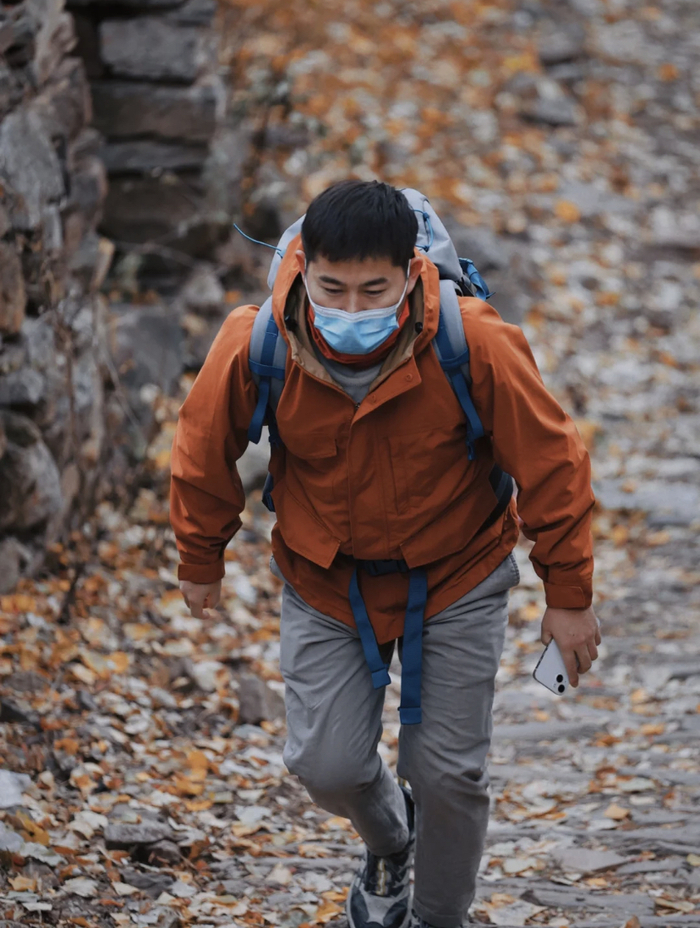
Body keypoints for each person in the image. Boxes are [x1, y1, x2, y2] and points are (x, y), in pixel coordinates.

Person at [170, 180, 601, 928]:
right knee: (325, 765)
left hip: (458, 573)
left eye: (376, 289)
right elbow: (203, 451)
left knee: (449, 775)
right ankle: (390, 838)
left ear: (412, 272)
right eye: (333, 288)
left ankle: (438, 917)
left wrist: (568, 595)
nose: (355, 309)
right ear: (304, 268)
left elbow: (554, 463)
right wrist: (199, 556)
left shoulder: (475, 342)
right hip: (325, 580)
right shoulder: (257, 341)